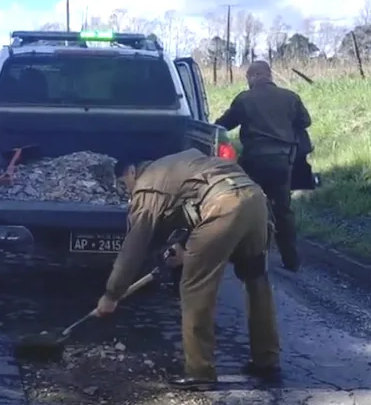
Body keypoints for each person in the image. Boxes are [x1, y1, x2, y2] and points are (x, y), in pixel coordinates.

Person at [95, 148, 281, 387]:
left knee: (195, 288)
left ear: (132, 171)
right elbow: (193, 204)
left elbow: (135, 245)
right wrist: (182, 249)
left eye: (124, 184)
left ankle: (200, 371)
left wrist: (112, 293)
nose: (127, 192)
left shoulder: (146, 185)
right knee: (256, 280)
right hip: (254, 200)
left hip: (223, 204)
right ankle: (267, 359)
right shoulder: (177, 166)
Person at [214, 60, 311, 272]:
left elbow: (224, 124)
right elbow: (305, 122)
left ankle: (247, 255)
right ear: (270, 75)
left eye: (248, 77)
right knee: (283, 209)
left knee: (246, 204)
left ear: (253, 76)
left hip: (254, 161)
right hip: (283, 162)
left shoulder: (245, 99)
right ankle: (291, 260)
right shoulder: (290, 97)